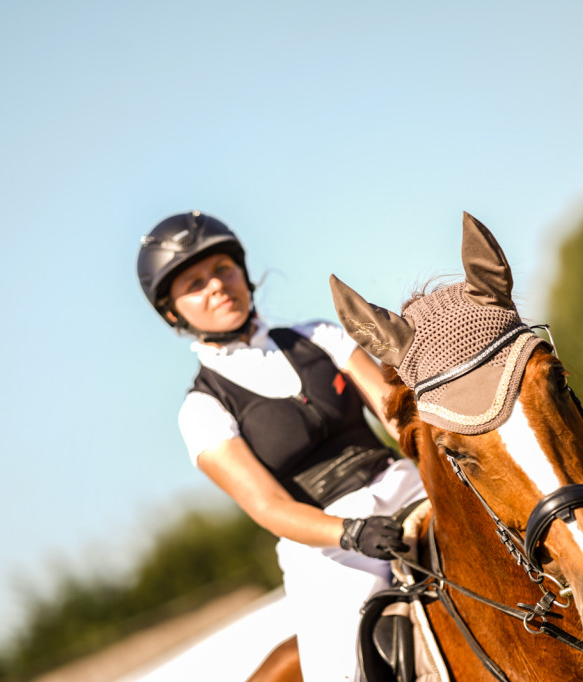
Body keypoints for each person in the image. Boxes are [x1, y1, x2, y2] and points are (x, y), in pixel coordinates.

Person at [137, 211, 427, 681]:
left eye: (222, 270)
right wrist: (350, 533)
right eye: (194, 284)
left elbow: (399, 420)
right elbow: (267, 505)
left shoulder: (320, 336)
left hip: (407, 487)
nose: (216, 286)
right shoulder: (202, 410)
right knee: (342, 671)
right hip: (330, 546)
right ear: (173, 312)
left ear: (242, 273)